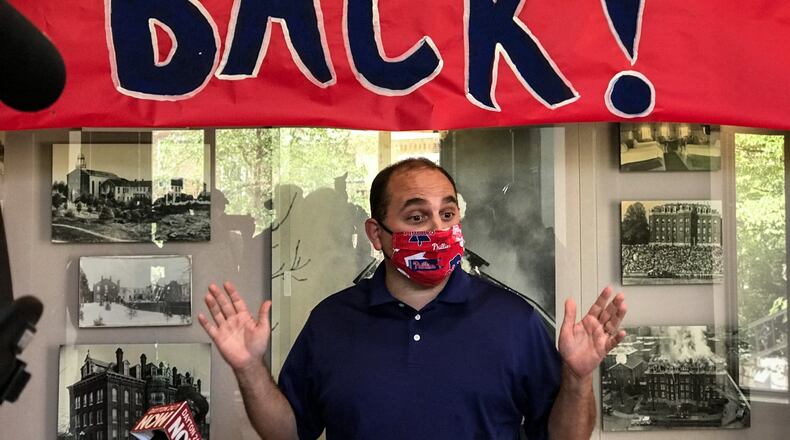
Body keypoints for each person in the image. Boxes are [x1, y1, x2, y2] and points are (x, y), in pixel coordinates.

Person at [198, 158, 627, 439]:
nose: (438, 229)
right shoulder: (331, 321)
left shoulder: (515, 320)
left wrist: (576, 378)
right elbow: (289, 433)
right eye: (417, 216)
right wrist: (249, 369)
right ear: (376, 234)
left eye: (448, 213)